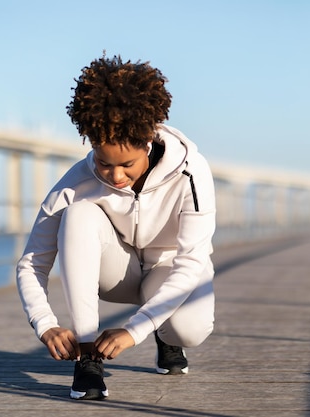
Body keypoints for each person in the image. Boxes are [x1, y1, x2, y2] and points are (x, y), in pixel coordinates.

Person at [16, 54, 216, 401]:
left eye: (127, 164)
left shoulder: (191, 173)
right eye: (104, 163)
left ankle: (165, 337)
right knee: (78, 214)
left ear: (149, 140)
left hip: (166, 270)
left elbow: (192, 263)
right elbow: (32, 262)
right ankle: (88, 354)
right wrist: (45, 324)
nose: (116, 177)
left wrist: (134, 330)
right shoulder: (75, 183)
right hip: (118, 273)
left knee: (189, 329)